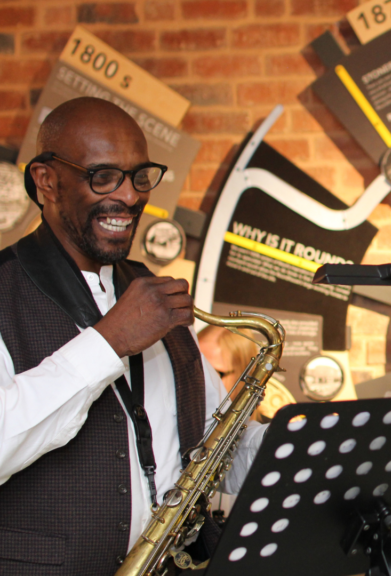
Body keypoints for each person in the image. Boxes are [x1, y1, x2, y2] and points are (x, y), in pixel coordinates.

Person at [0, 97, 263, 575]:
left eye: (140, 176)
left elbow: (213, 444)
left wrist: (313, 449)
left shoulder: (151, 290)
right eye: (103, 176)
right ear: (46, 180)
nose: (129, 196)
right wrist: (109, 341)